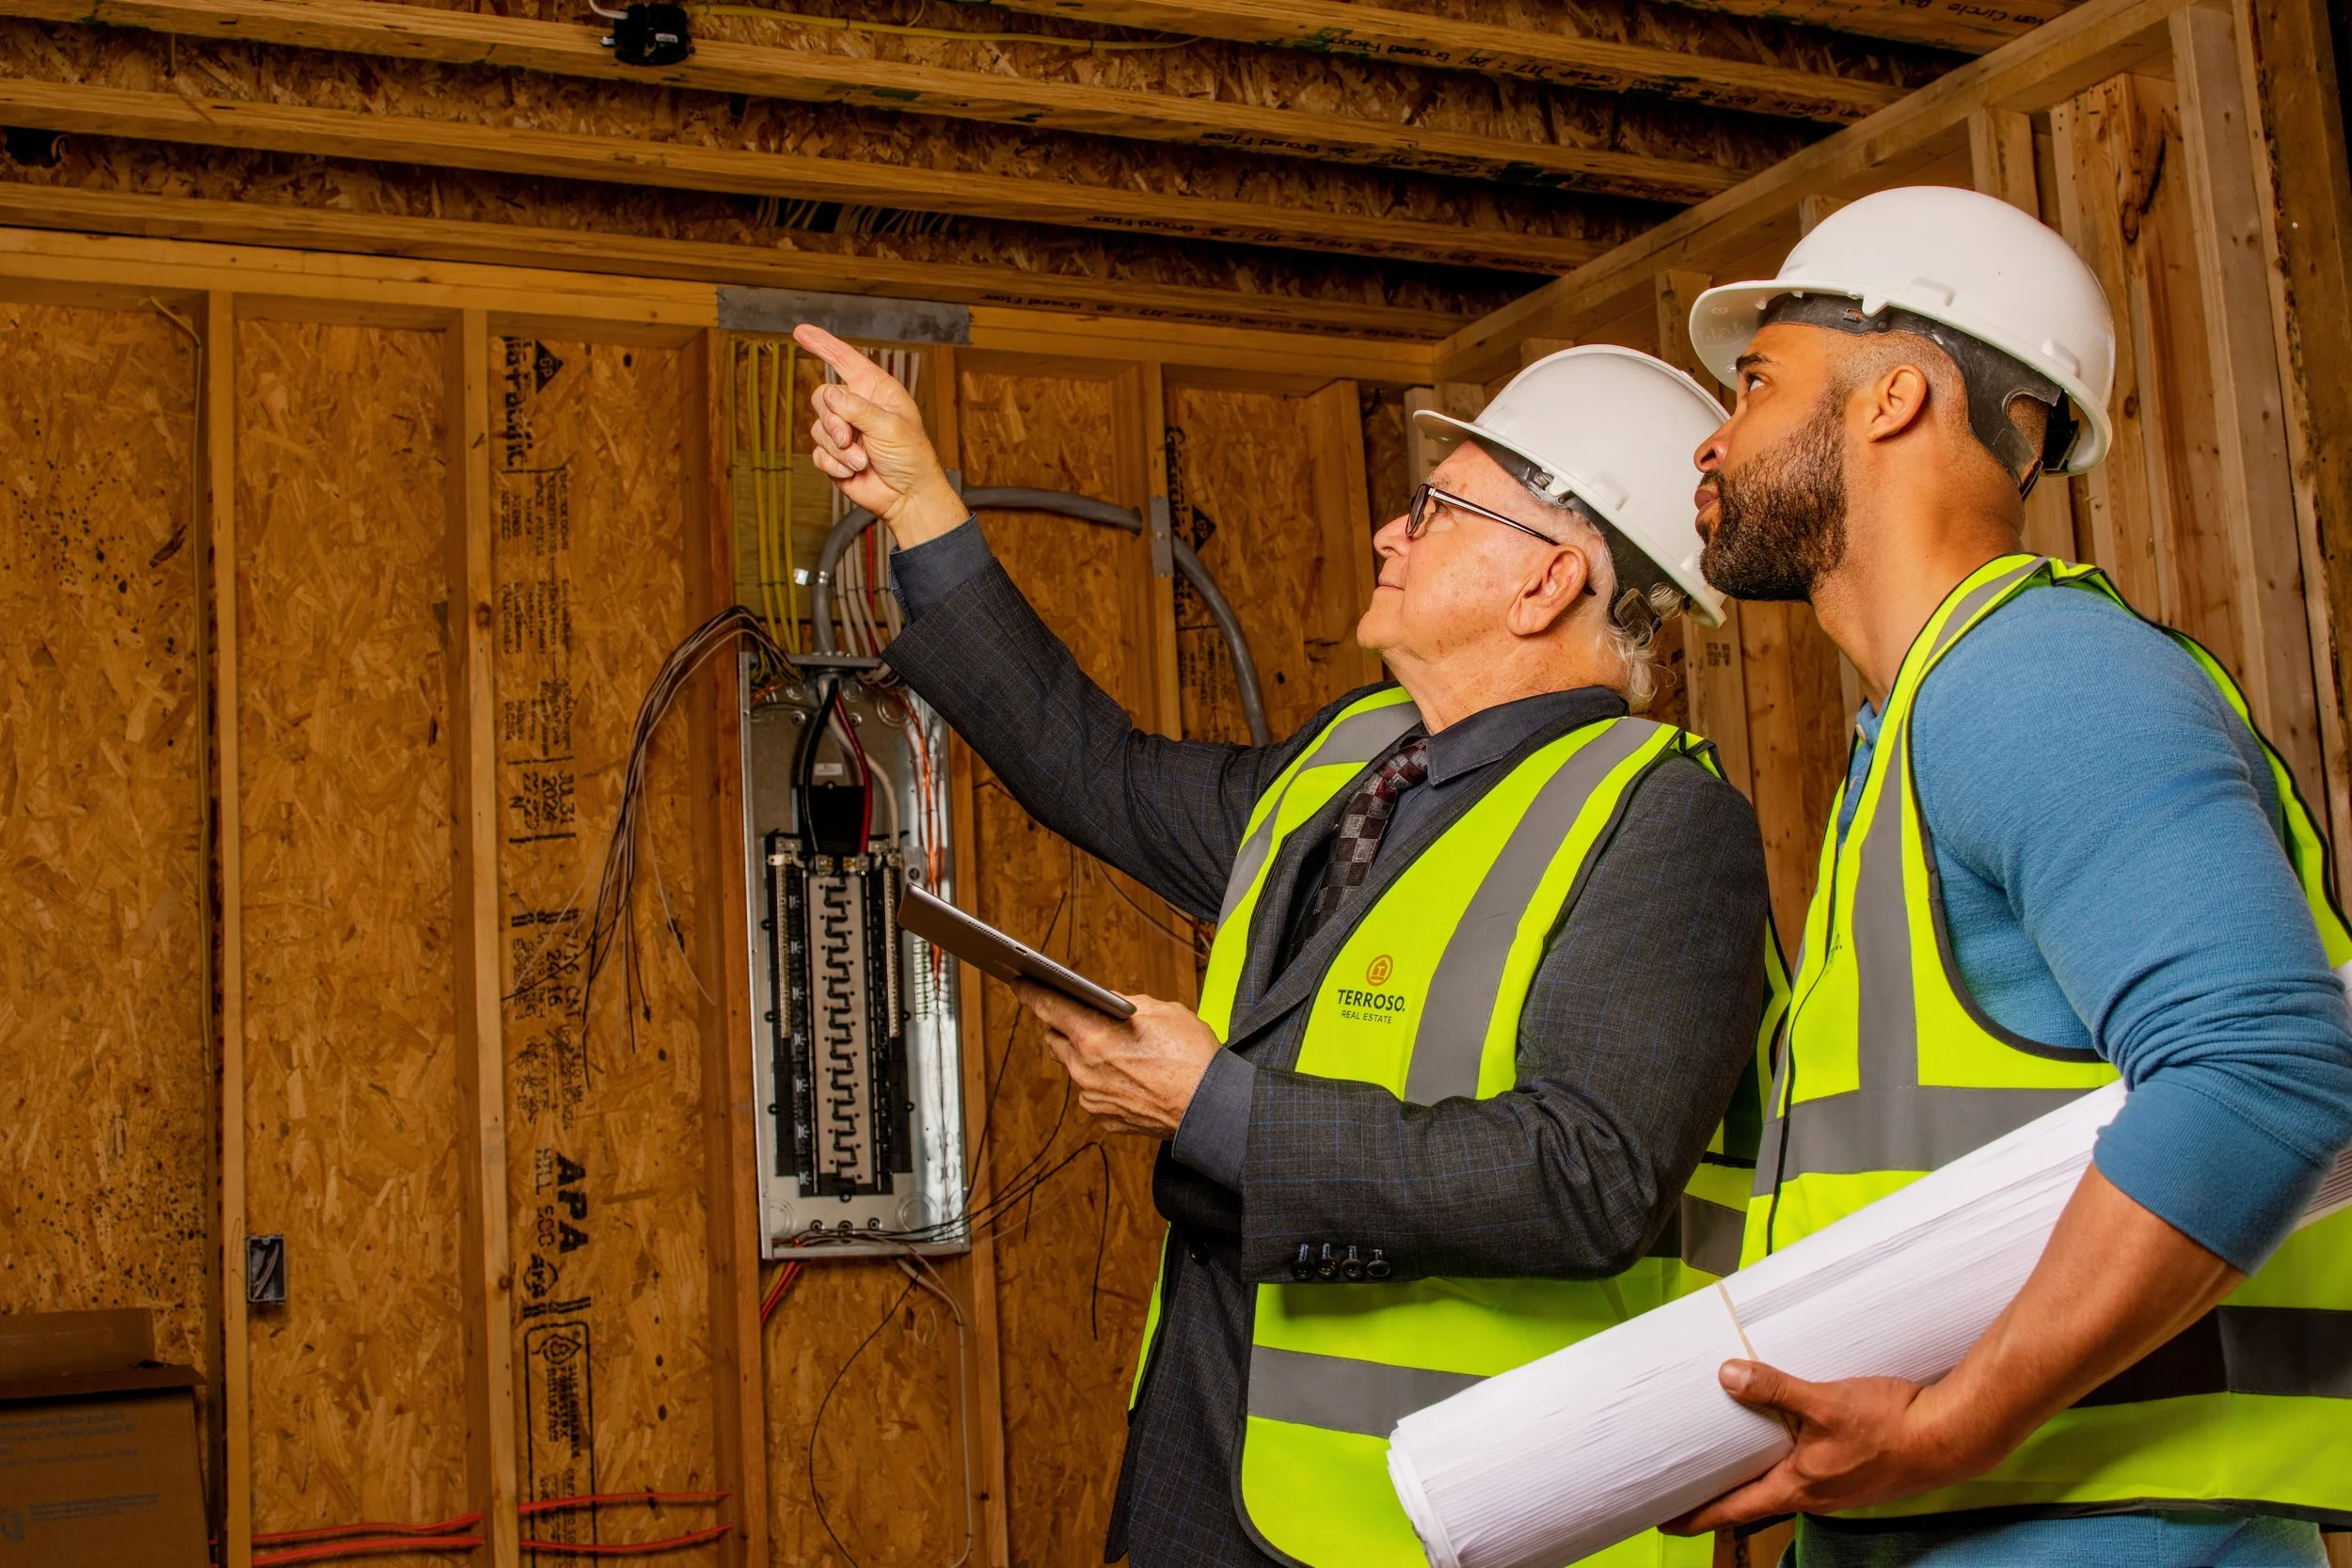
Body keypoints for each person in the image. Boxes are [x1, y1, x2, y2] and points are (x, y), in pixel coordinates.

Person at [792, 321, 1778, 1568]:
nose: (1390, 532)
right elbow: (1092, 767)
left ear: (1547, 582)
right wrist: (919, 502)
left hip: (1445, 1525)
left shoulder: (1663, 819)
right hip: (1208, 1461)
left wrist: (1212, 1103)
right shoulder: (1346, 766)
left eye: (1436, 510)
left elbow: (1590, 1180)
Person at [1664, 185, 2352, 1566]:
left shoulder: (2036, 679)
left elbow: (2266, 1066)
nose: (1713, 434)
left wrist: (1955, 1423)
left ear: (1893, 398)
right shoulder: (1927, 718)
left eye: (1755, 382)